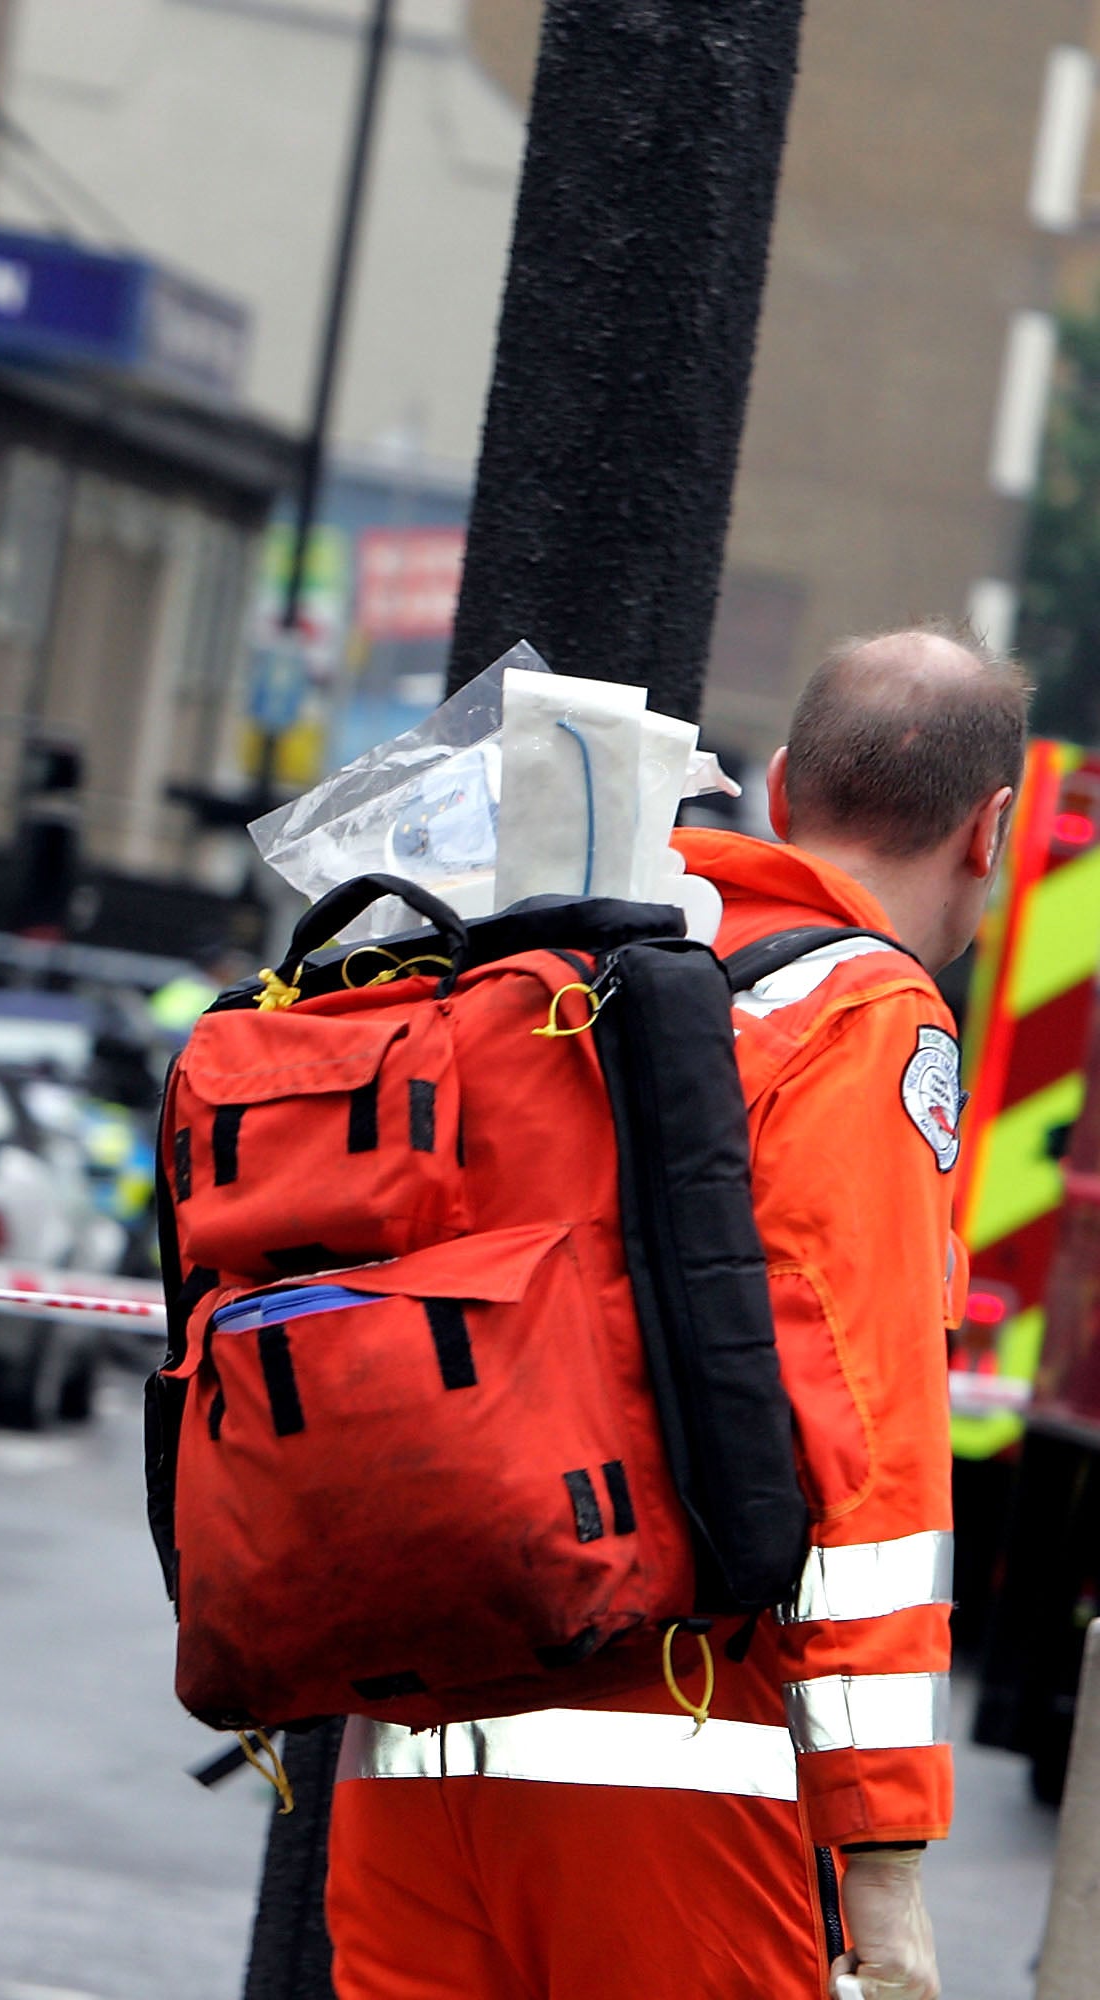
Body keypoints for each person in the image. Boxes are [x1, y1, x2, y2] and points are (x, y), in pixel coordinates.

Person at [325, 627, 1013, 2000]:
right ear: (988, 833)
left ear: (775, 796)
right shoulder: (862, 1015)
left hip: (412, 1746)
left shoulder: (537, 958)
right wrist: (883, 1860)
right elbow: (864, 1446)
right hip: (673, 1755)